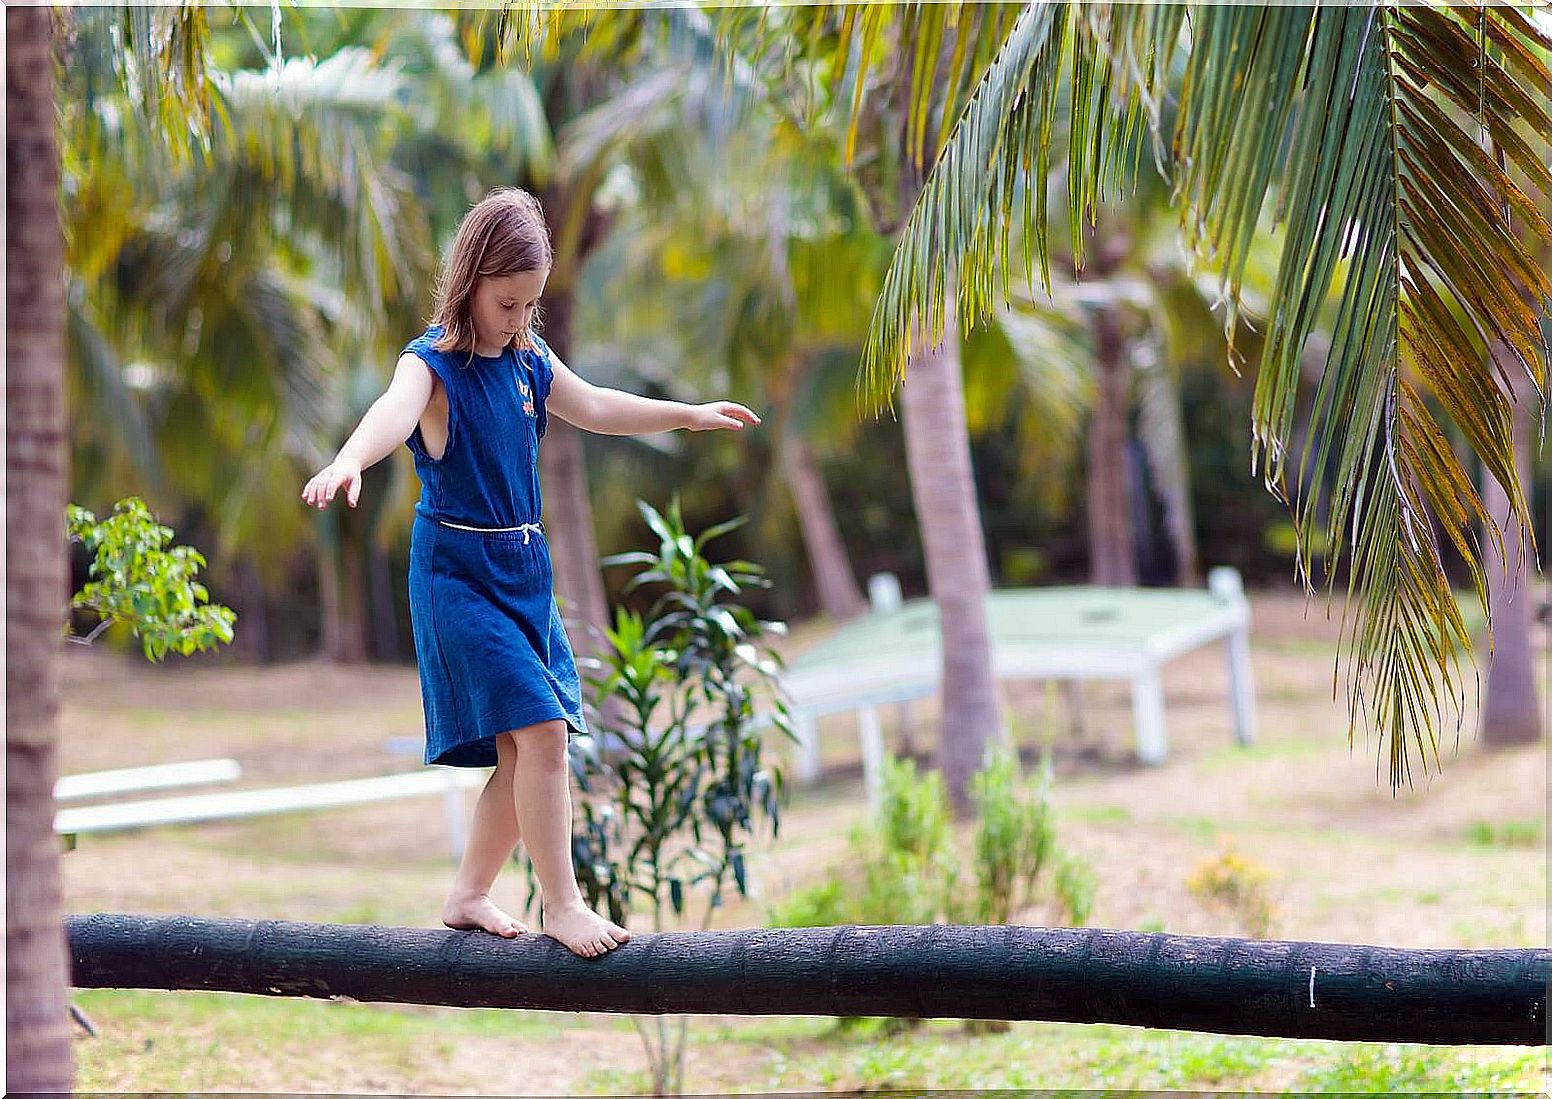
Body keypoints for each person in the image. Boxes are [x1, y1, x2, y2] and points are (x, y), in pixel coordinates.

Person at [301, 187, 761, 957]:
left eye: (529, 306)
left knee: (527, 750)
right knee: (544, 733)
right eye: (507, 302)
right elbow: (391, 409)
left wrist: (685, 413)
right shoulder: (433, 366)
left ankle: (468, 892)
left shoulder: (529, 361)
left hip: (525, 569)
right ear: (472, 279)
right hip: (457, 573)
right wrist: (348, 459)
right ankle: (563, 902)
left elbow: (598, 406)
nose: (518, 319)